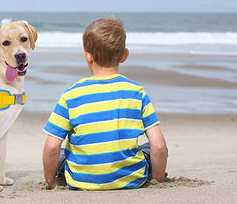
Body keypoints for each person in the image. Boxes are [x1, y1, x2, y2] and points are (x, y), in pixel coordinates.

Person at [42, 16, 167, 190]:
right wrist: (157, 180)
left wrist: (51, 181)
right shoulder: (137, 92)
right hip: (130, 179)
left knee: (62, 154)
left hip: (81, 180)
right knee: (147, 150)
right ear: (124, 55)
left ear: (88, 56)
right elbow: (159, 147)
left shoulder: (71, 94)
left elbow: (51, 147)